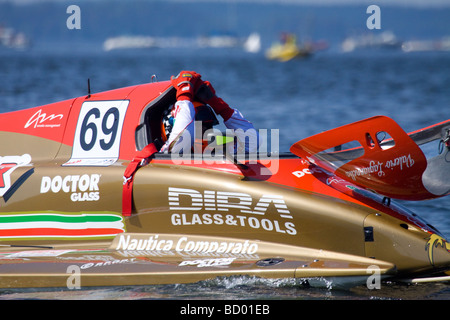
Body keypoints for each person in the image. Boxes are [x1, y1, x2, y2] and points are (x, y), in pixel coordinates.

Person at [160, 70, 258, 154]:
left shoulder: (215, 143)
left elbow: (253, 141)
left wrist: (220, 106)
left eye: (208, 125)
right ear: (172, 125)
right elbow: (180, 138)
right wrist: (184, 94)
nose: (207, 130)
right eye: (199, 126)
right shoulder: (160, 156)